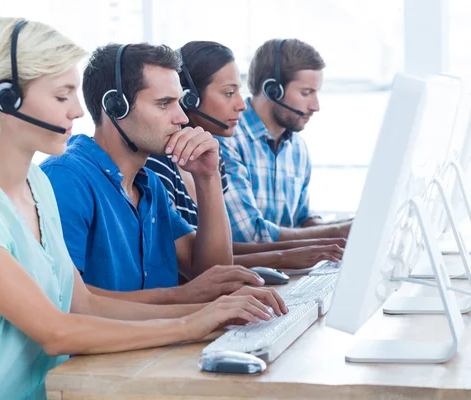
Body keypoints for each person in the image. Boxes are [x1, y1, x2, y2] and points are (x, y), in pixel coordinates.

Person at [0, 18, 286, 400]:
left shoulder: (36, 187)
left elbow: (83, 303)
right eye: (61, 96)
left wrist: (215, 315)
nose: (75, 111)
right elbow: (55, 330)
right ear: (6, 98)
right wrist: (193, 322)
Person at [41, 43, 277, 304]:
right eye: (164, 104)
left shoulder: (150, 186)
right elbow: (64, 300)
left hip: (164, 343)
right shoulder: (66, 179)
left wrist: (207, 178)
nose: (183, 118)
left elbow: (213, 277)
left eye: (179, 102)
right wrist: (180, 297)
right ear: (115, 106)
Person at [145, 41, 344, 270]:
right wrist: (283, 256)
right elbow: (199, 265)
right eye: (229, 93)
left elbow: (222, 252)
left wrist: (310, 248)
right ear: (189, 99)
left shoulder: (210, 161)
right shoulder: (158, 167)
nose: (241, 104)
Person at [218, 38, 352, 243]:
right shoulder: (228, 140)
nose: (316, 106)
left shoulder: (297, 148)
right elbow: (250, 235)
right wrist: (337, 231)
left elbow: (302, 221)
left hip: (289, 272)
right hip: (247, 273)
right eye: (306, 93)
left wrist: (352, 226)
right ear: (273, 90)